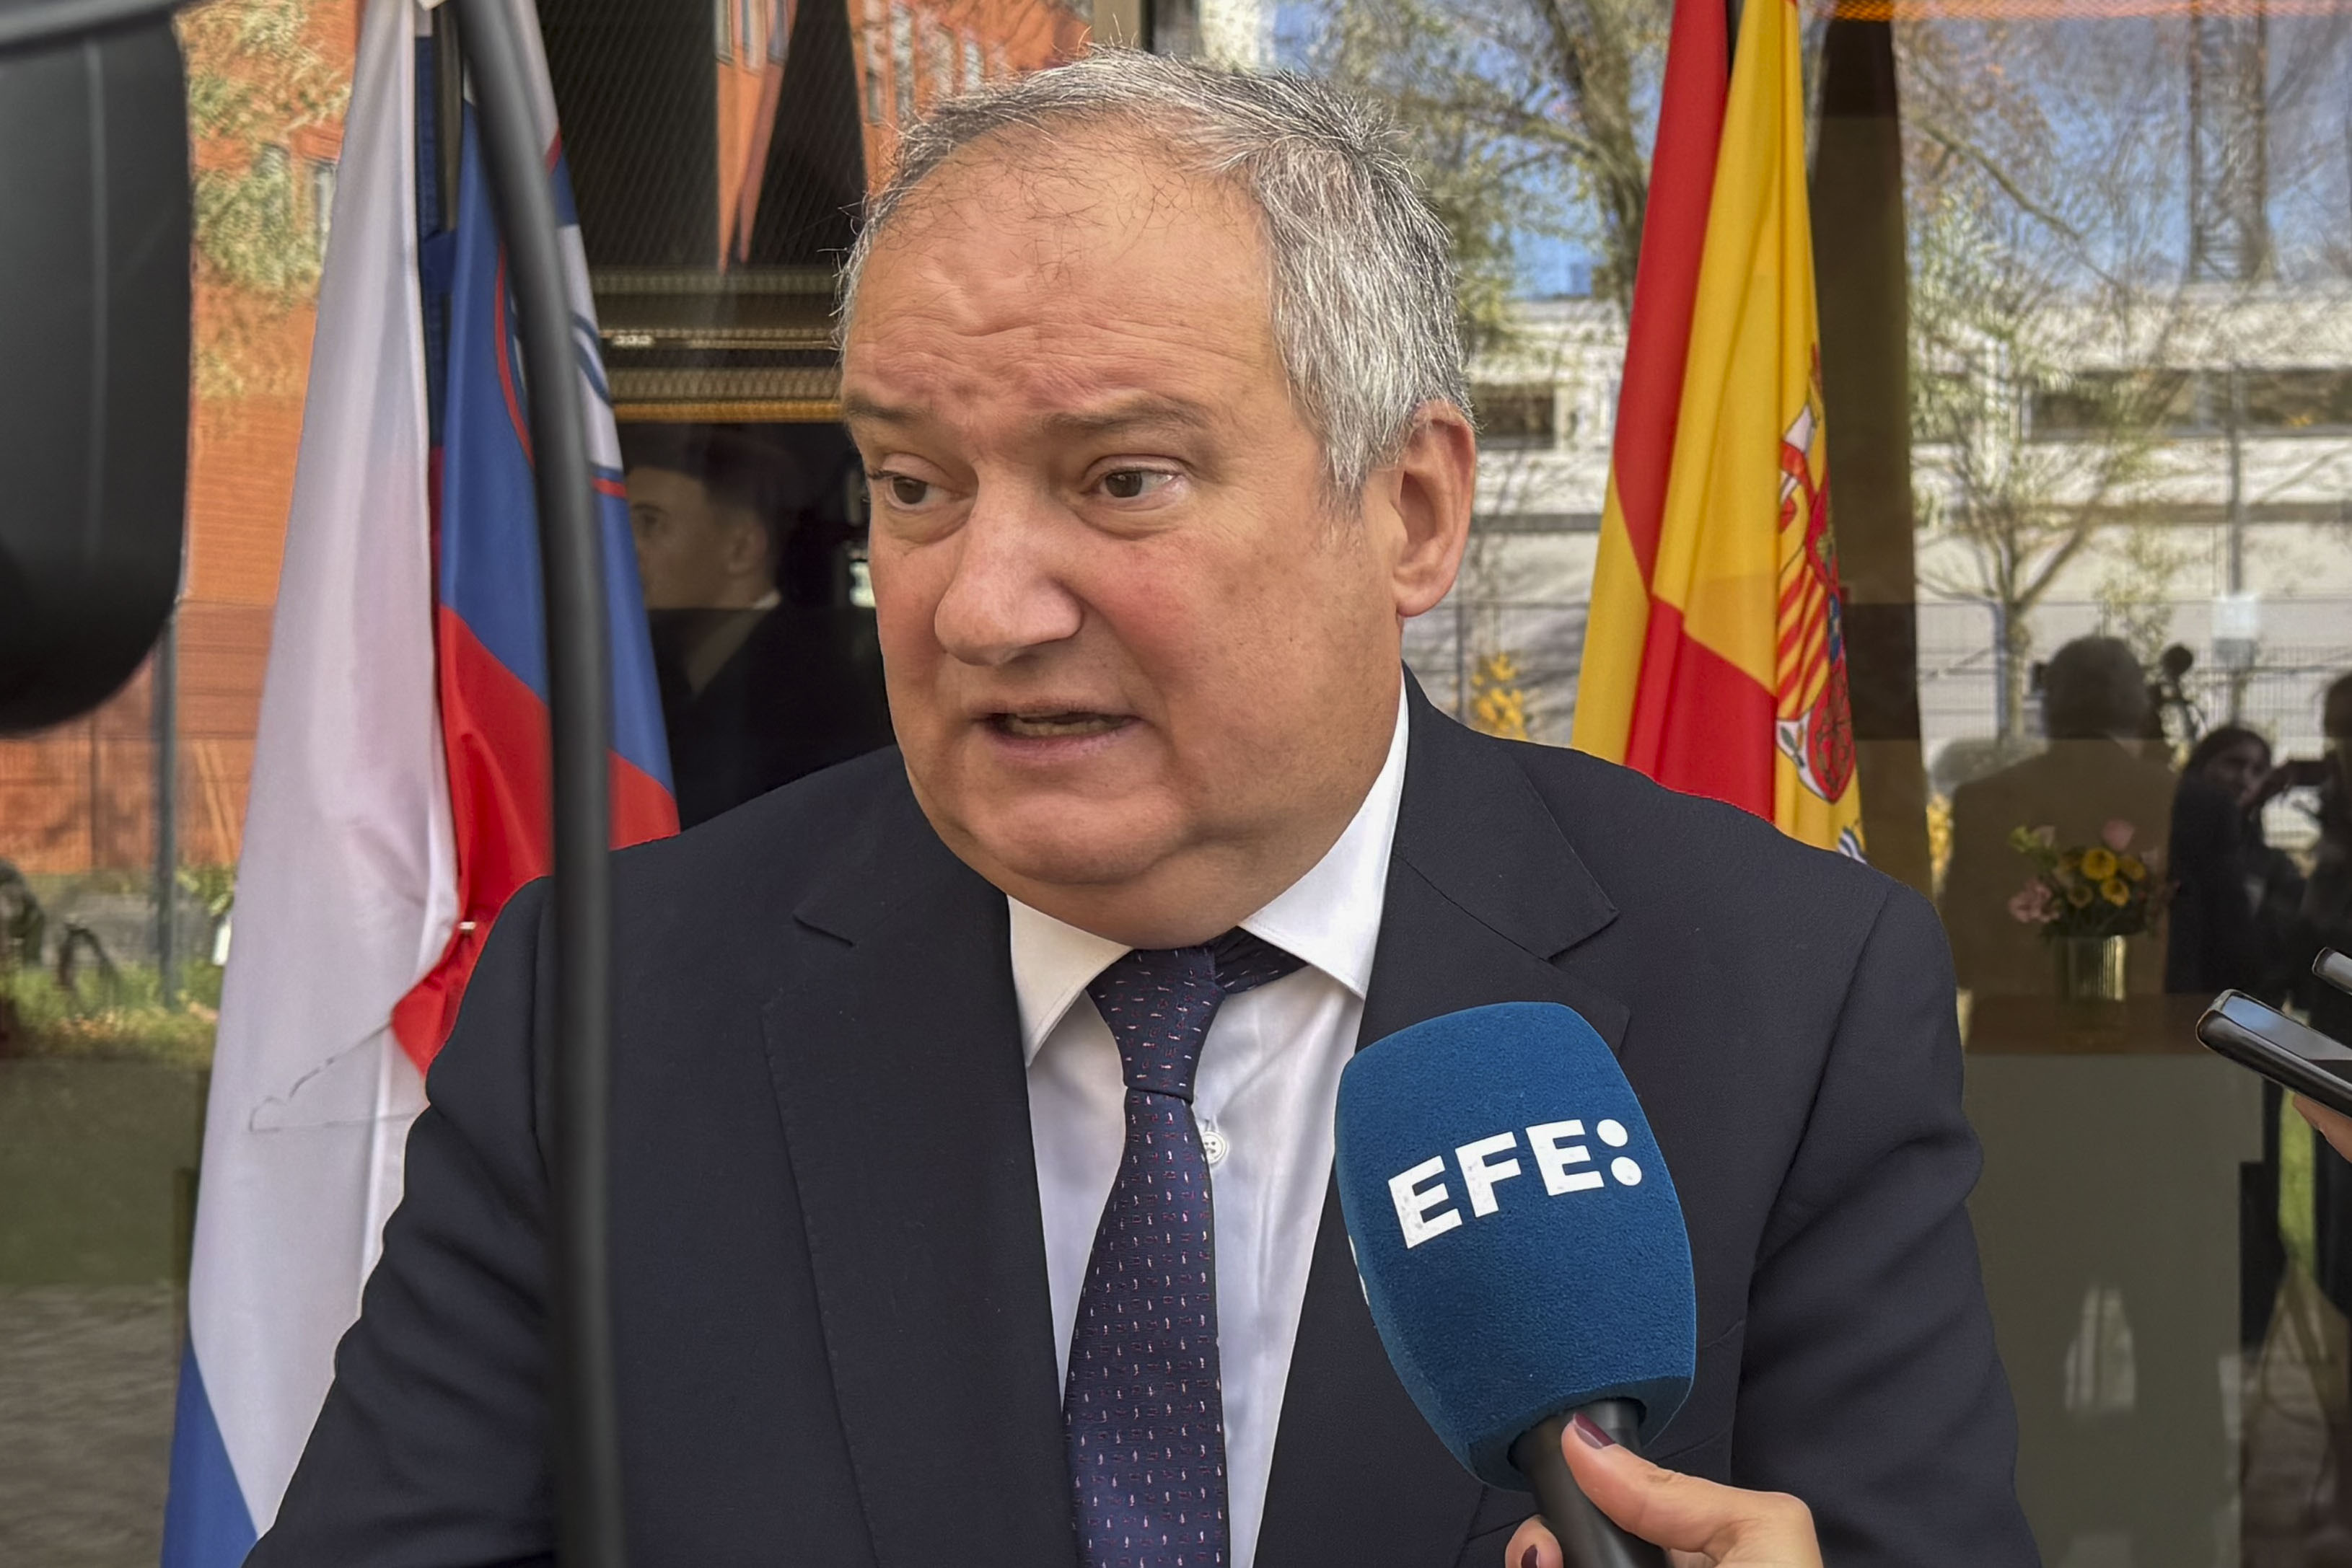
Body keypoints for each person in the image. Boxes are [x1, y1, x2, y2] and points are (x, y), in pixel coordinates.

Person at [252, 52, 2030, 1567]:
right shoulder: (616, 1004)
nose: (978, 605)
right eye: (914, 484)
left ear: (1410, 510)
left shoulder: (1780, 992)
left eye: (1120, 478)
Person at [623, 425, 894, 827]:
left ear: (742, 548)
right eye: (623, 526)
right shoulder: (664, 674)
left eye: (650, 523)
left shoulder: (807, 696)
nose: (627, 548)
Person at [1942, 636, 2181, 996]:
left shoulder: (1984, 800)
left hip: (2015, 1018)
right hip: (2149, 1017)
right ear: (2140, 706)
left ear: (2049, 703)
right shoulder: (2180, 801)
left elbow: (1959, 952)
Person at [2166, 724, 2303, 999]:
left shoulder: (2272, 866)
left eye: (2258, 771)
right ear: (2202, 765)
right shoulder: (2165, 837)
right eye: (2234, 764)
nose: (2244, 779)